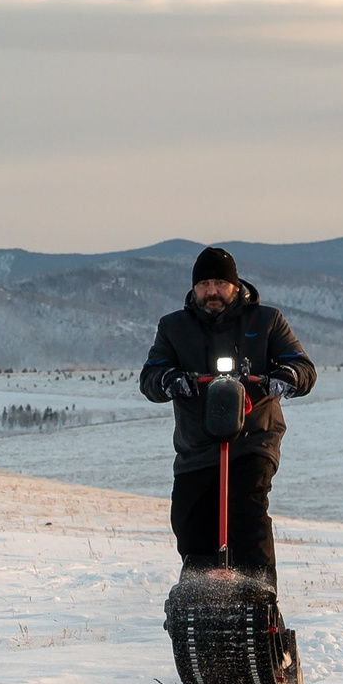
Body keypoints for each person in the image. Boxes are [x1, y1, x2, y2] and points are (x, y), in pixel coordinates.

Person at [138, 246, 316, 586]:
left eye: (220, 282)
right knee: (190, 522)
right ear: (194, 288)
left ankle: (259, 595)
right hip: (197, 445)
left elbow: (302, 366)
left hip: (253, 437)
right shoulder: (174, 327)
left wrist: (286, 377)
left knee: (245, 513)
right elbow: (150, 376)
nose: (212, 292)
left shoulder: (266, 321)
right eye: (204, 284)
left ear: (236, 286)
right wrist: (170, 381)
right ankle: (200, 597)